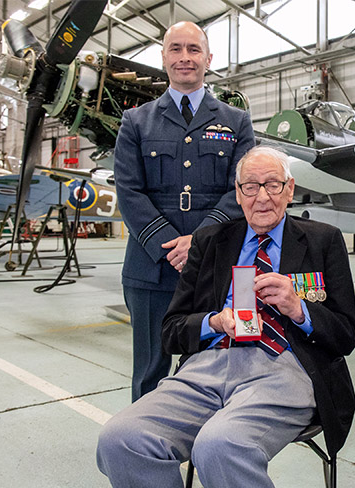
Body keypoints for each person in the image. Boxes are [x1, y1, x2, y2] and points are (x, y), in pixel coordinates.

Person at [97, 146, 355, 488]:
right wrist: (215, 322)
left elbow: (345, 335)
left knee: (220, 446)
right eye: (250, 186)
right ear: (238, 193)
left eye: (273, 185)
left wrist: (299, 309)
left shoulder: (323, 240)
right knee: (120, 439)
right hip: (207, 367)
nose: (262, 197)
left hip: (285, 369)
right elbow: (171, 330)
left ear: (290, 189)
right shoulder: (211, 241)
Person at [115, 21, 255, 401]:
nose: (184, 58)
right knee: (149, 371)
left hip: (215, 265)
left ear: (209, 59)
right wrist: (169, 245)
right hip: (152, 269)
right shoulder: (135, 122)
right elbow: (129, 191)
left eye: (193, 50)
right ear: (164, 58)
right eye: (175, 49)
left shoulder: (236, 122)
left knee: (211, 371)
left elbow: (242, 189)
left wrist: (199, 242)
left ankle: (203, 454)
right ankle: (145, 454)